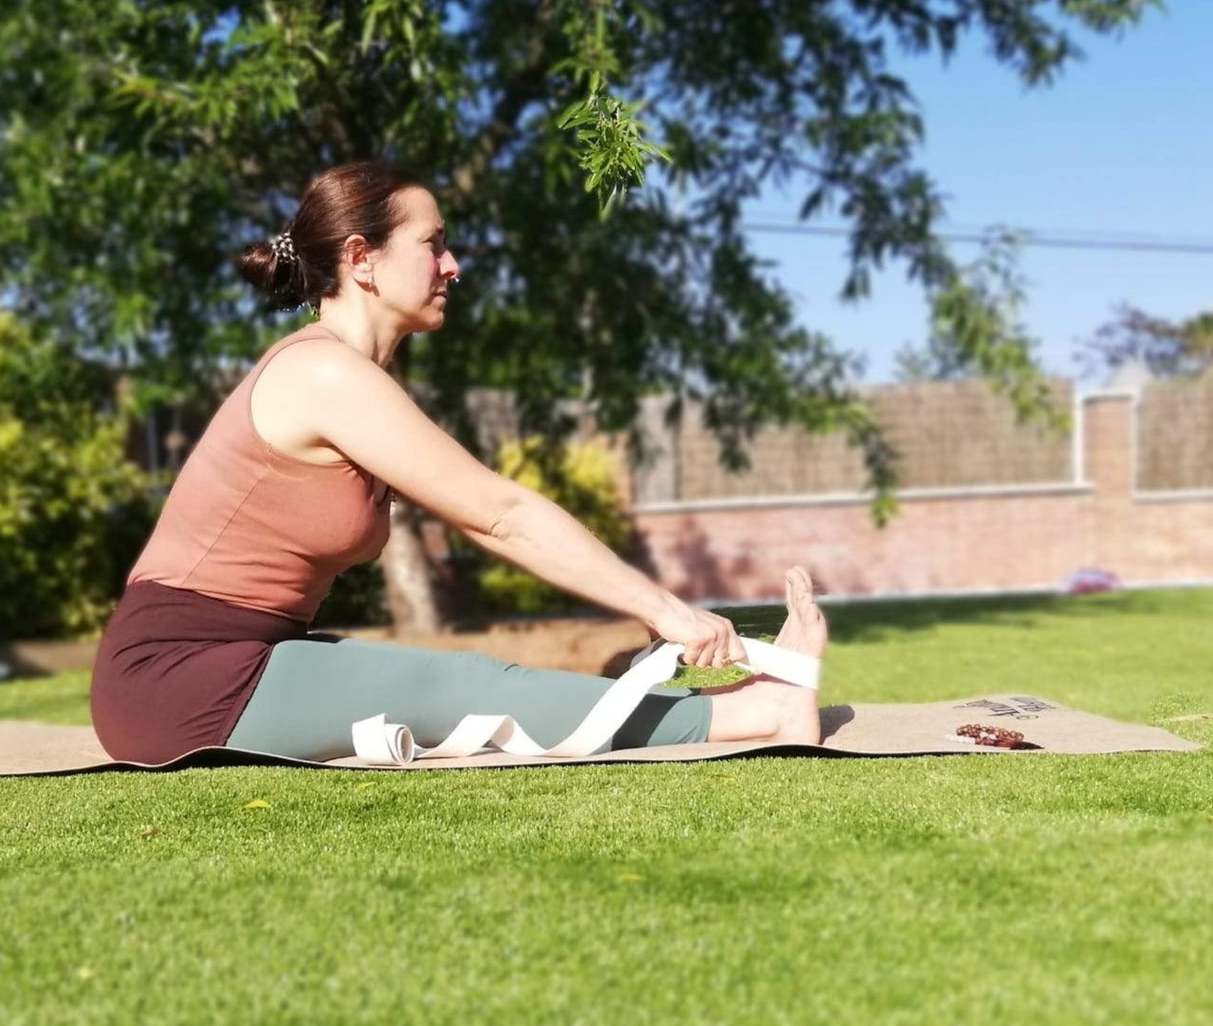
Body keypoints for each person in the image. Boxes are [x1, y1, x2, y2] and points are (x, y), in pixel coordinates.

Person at [90, 160, 826, 765]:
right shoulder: (322, 374)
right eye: (432, 244)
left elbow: (490, 514)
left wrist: (650, 610)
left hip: (248, 658)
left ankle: (723, 704)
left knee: (446, 686)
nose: (453, 265)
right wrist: (667, 611)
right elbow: (500, 515)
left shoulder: (352, 378)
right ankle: (761, 711)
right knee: (460, 688)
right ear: (361, 259)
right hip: (178, 680)